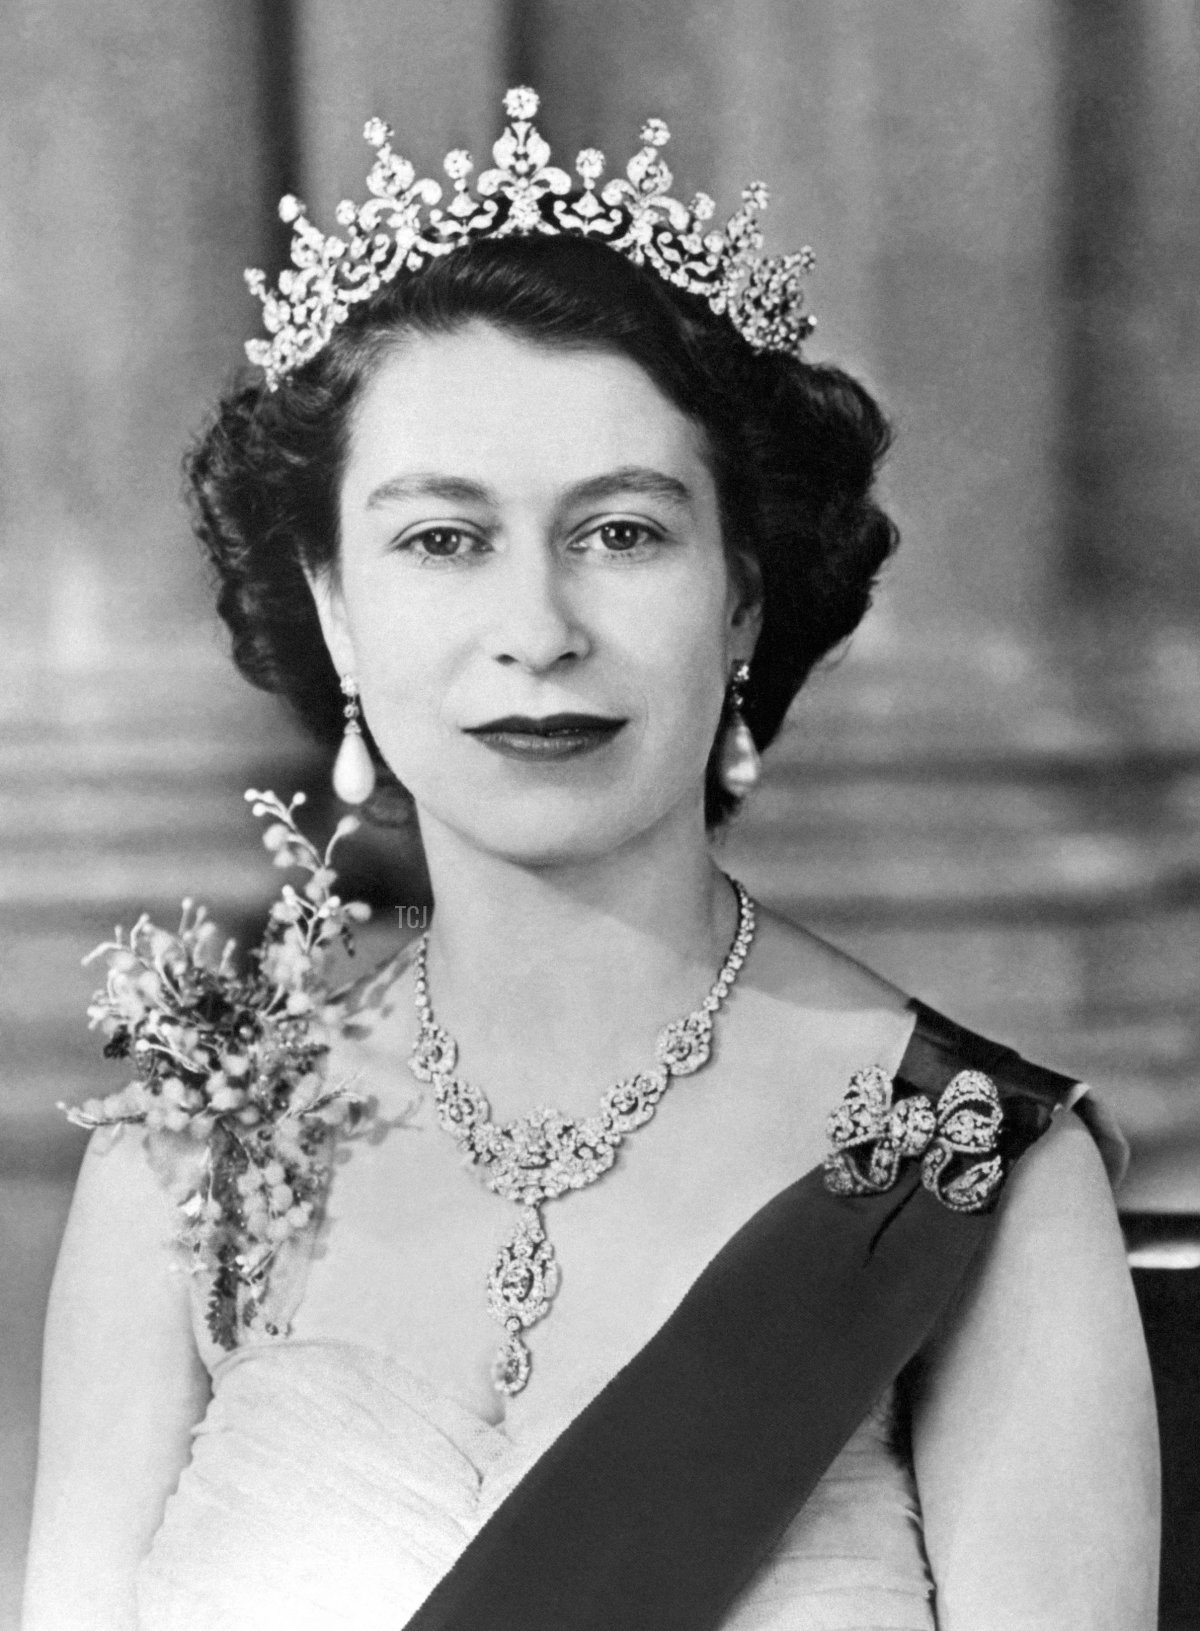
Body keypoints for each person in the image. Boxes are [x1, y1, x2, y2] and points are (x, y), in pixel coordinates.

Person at [23, 89, 1158, 1630]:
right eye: (443, 539)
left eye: (622, 534)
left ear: (744, 598)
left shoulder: (974, 1183)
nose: (538, 630)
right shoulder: (188, 1171)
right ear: (336, 607)